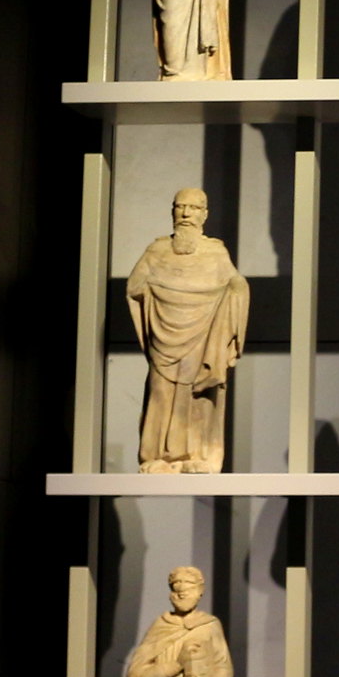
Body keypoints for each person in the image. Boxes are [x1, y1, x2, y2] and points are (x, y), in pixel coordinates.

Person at [126, 187, 250, 473]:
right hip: (164, 332)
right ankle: (156, 456)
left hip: (202, 332)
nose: (185, 213)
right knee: (160, 390)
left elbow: (234, 284)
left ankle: (197, 455)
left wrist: (236, 288)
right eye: (179, 207)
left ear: (204, 215)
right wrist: (157, 292)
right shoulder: (156, 250)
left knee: (197, 393)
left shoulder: (215, 251)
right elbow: (134, 287)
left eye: (193, 208)